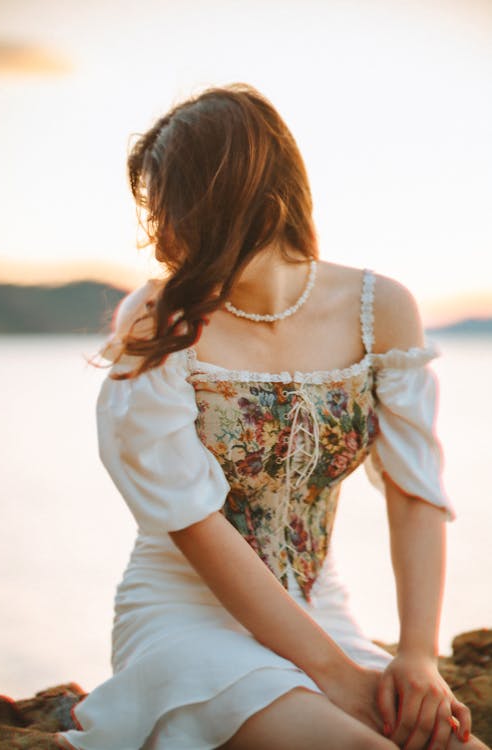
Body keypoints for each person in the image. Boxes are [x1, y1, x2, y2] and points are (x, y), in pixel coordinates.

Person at [56, 83, 489, 750]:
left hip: (322, 612)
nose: (157, 234)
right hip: (185, 620)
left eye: (165, 206)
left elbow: (415, 493)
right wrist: (334, 675)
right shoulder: (161, 319)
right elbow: (191, 522)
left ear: (221, 198)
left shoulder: (381, 308)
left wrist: (418, 656)